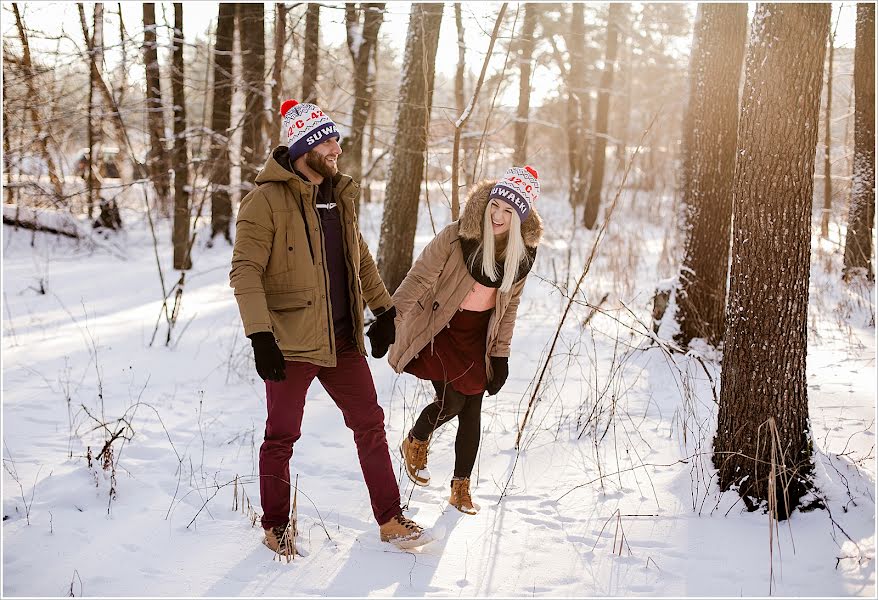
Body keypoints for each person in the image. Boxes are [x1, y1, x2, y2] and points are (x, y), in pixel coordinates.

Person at [230, 99, 430, 553]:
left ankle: (390, 518)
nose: (337, 148)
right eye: (328, 141)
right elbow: (244, 270)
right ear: (304, 147)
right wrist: (260, 335)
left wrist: (383, 311)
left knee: (371, 424)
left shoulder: (337, 198)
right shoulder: (263, 202)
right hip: (291, 344)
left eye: (336, 141)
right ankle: (275, 525)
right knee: (281, 437)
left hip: (342, 341)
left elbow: (358, 257)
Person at [367, 166, 543, 514]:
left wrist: (501, 354)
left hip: (478, 336)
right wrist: (389, 319)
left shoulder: (521, 257)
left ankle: (460, 488)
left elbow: (508, 309)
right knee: (452, 402)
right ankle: (416, 439)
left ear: (520, 219)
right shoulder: (456, 237)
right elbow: (418, 279)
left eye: (509, 212)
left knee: (472, 408)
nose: (498, 215)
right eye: (496, 206)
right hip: (440, 327)